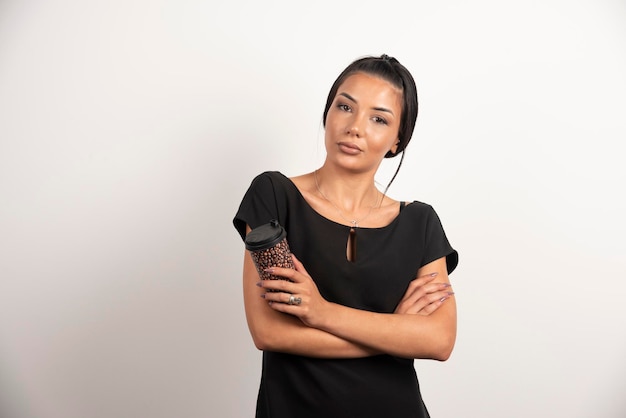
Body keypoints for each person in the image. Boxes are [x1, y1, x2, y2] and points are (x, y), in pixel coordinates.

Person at [233, 54, 459, 418]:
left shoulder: (421, 222)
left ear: (396, 141)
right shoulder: (273, 196)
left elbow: (439, 340)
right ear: (328, 114)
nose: (355, 127)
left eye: (379, 118)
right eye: (345, 106)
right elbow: (269, 332)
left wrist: (321, 312)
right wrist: (396, 336)